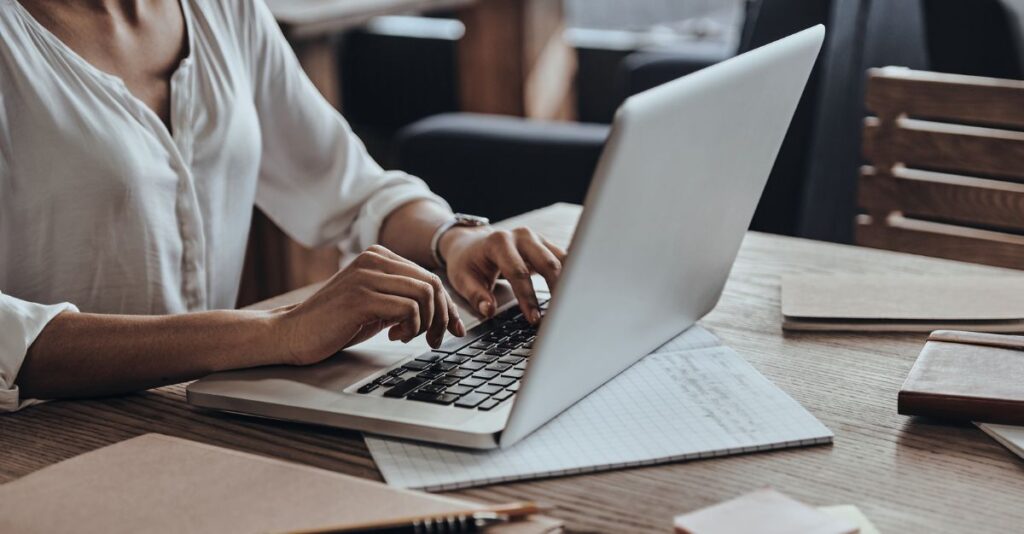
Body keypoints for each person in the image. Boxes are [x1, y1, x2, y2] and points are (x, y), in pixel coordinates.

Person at [0, 0, 565, 412]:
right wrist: (278, 333)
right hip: (43, 438)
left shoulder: (224, 10)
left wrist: (454, 238)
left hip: (194, 415)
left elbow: (349, 186)